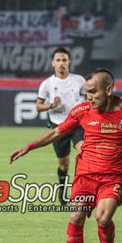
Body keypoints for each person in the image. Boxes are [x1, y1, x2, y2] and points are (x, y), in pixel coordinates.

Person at [11, 69, 122, 243]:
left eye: (93, 92)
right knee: (76, 216)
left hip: (113, 176)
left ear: (108, 90)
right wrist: (27, 147)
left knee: (104, 216)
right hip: (85, 177)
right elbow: (56, 133)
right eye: (86, 92)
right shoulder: (82, 111)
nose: (88, 97)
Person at [36, 47, 85, 204]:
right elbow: (38, 106)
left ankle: (81, 191)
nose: (61, 63)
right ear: (53, 63)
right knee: (64, 164)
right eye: (58, 60)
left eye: (64, 60)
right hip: (59, 127)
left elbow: (91, 96)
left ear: (69, 61)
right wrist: (51, 106)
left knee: (83, 154)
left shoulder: (80, 80)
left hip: (78, 125)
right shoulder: (47, 84)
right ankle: (62, 190)